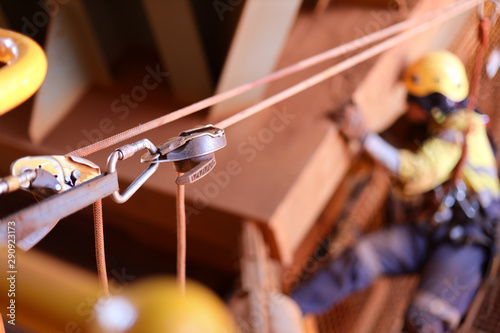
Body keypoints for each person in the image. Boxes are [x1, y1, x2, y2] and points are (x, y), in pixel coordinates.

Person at [291, 50, 500, 333]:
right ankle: (288, 312)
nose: (406, 103)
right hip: (433, 229)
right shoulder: (442, 129)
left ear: (432, 101)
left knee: (424, 322)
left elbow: (418, 172)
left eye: (413, 97)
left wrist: (365, 137)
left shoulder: (461, 131)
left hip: (466, 243)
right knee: (362, 258)